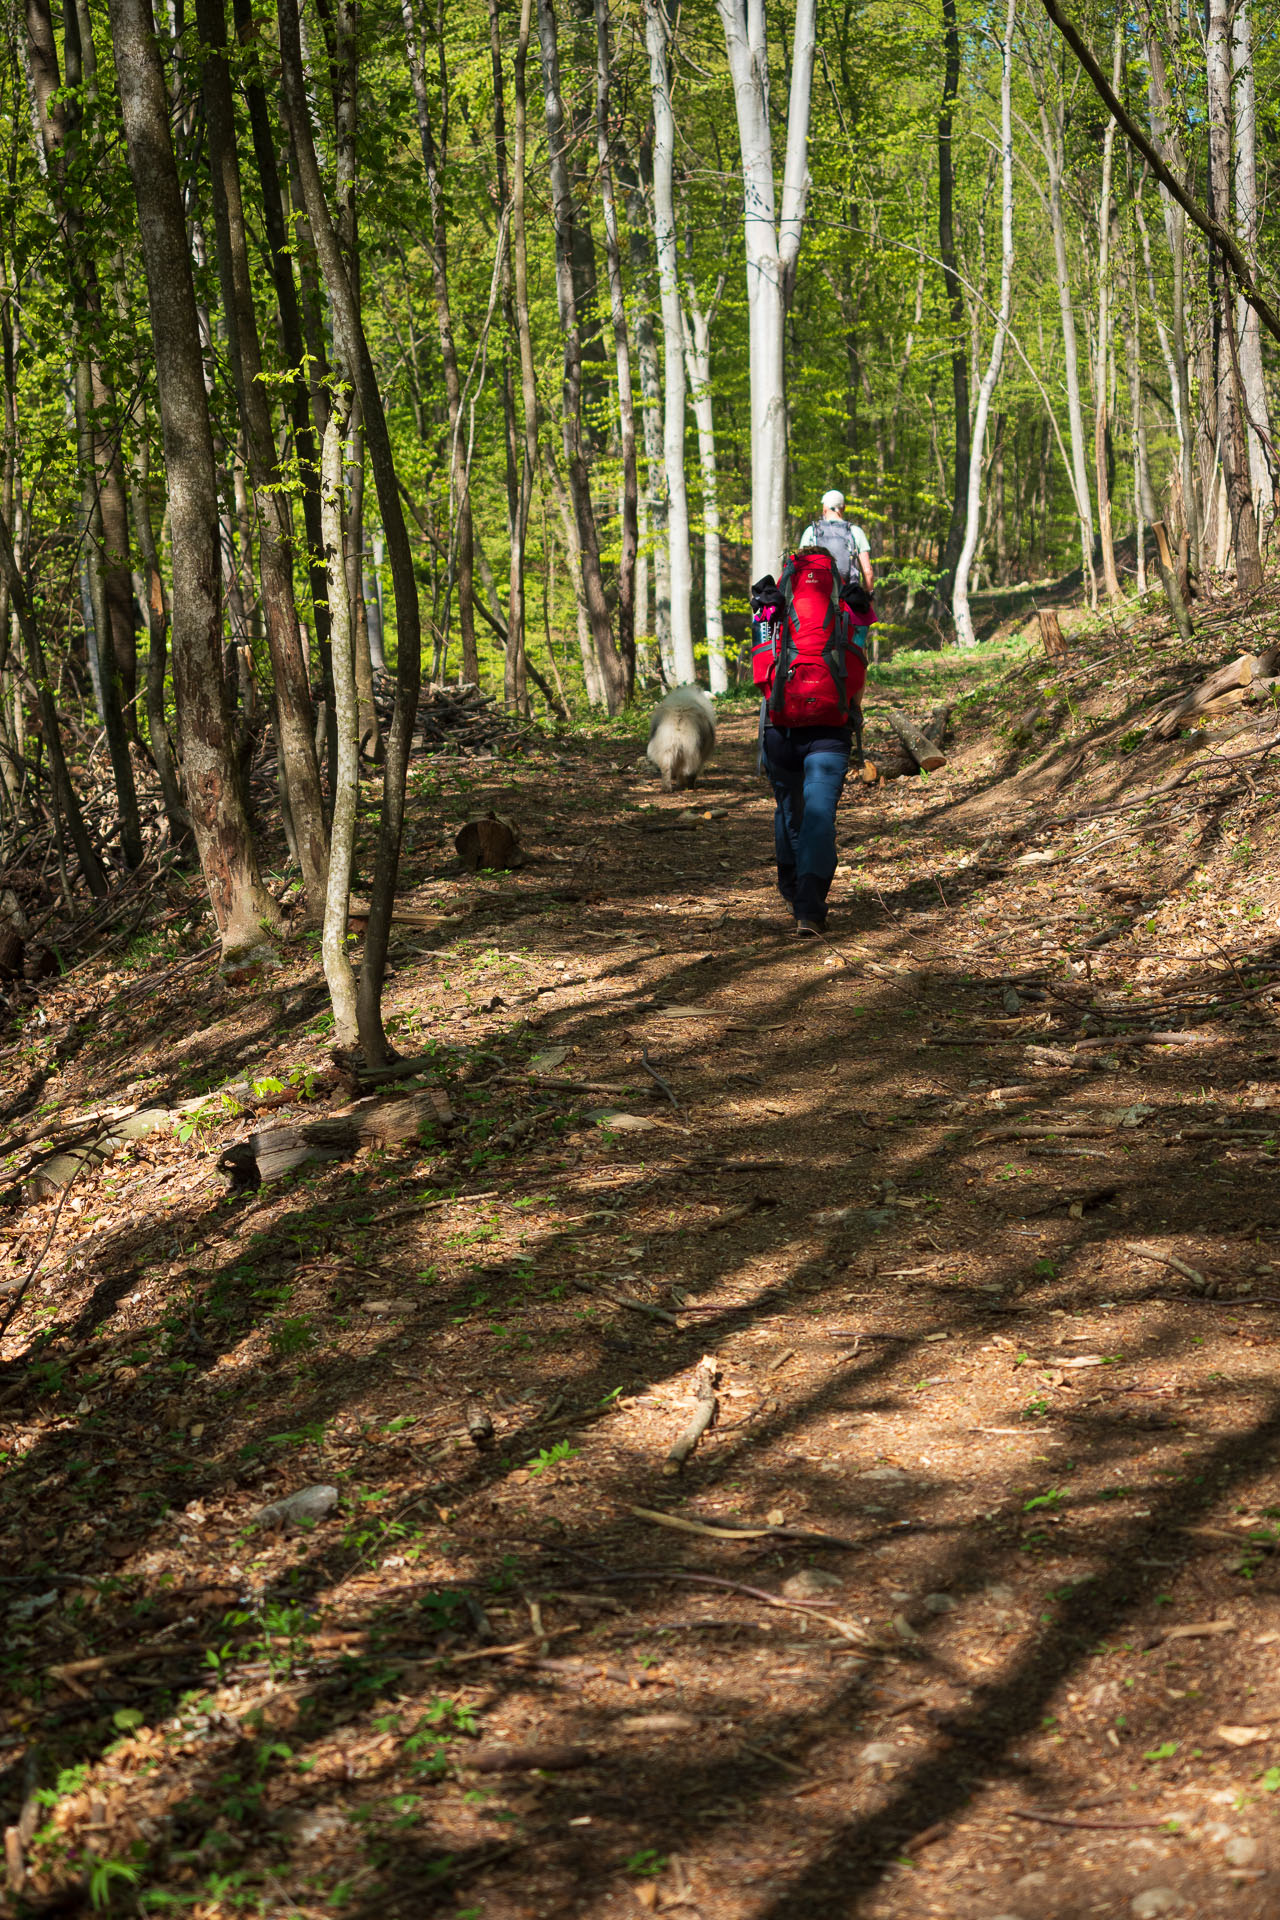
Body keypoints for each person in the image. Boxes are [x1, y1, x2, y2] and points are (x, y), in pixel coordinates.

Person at [757, 491, 875, 938]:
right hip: (831, 726)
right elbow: (860, 669)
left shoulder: (773, 605)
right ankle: (810, 907)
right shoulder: (850, 608)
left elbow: (762, 668)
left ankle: (790, 887)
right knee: (821, 815)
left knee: (791, 809)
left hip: (780, 726)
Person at [799, 488, 874, 594]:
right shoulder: (855, 532)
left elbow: (799, 567)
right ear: (844, 508)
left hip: (819, 594)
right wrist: (869, 595)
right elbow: (867, 571)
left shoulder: (811, 532)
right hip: (849, 595)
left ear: (824, 508)